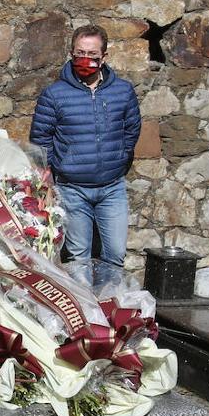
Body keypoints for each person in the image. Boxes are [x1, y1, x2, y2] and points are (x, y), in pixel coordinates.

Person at [30, 24, 141, 285]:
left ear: (104, 56)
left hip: (112, 187)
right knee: (78, 257)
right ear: (71, 53)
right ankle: (85, 315)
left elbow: (132, 129)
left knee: (115, 253)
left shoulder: (122, 91)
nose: (86, 60)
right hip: (72, 189)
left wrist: (119, 158)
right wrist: (52, 173)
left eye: (92, 54)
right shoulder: (54, 95)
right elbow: (40, 141)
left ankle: (109, 310)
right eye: (80, 53)